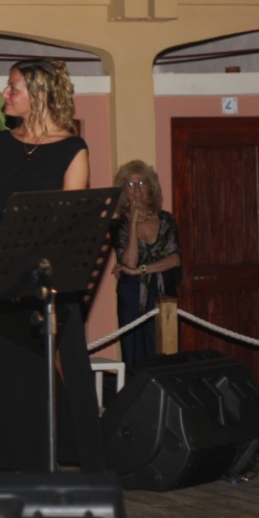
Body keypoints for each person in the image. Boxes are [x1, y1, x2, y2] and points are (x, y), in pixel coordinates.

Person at [0, 58, 105, 473]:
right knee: (10, 366)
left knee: (61, 361)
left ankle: (82, 455)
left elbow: (70, 218)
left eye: (13, 87)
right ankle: (13, 458)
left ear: (39, 94)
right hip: (4, 273)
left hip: (52, 276)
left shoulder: (73, 149)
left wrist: (36, 271)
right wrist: (9, 264)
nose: (4, 94)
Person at [110, 160, 181, 374]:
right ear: (124, 191)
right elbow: (129, 262)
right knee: (134, 355)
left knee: (165, 353)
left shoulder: (166, 220)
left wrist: (141, 270)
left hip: (162, 295)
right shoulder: (119, 225)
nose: (137, 190)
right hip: (132, 298)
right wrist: (133, 223)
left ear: (151, 188)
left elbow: (175, 260)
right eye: (130, 185)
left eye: (142, 183)